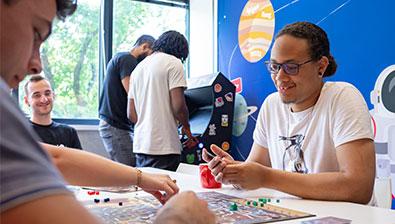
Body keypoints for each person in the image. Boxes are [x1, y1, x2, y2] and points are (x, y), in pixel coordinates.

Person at [0, 1, 214, 223]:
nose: (37, 65)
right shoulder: (163, 63)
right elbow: (179, 107)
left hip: (142, 142)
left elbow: (55, 158)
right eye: (36, 33)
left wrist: (140, 177)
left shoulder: (139, 67)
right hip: (161, 143)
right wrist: (177, 219)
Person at [203, 21, 376, 204]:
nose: (279, 77)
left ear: (321, 66)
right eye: (275, 66)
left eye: (291, 67)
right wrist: (235, 172)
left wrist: (266, 178)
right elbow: (256, 169)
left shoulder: (342, 98)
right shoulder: (271, 105)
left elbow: (358, 188)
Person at [127, 30, 198, 171]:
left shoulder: (138, 69)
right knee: (168, 191)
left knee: (145, 192)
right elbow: (179, 106)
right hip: (164, 147)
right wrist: (187, 129)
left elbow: (131, 114)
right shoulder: (173, 63)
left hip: (141, 146)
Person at [99, 34, 155, 166]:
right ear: (144, 46)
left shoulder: (119, 58)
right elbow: (132, 93)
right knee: (131, 172)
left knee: (127, 170)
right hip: (115, 125)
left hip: (113, 124)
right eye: (150, 54)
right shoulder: (128, 59)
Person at [24, 74, 82, 149]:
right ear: (26, 101)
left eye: (47, 93)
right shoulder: (21, 133)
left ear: (53, 96)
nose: (44, 99)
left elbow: (78, 160)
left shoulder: (69, 133)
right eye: (37, 95)